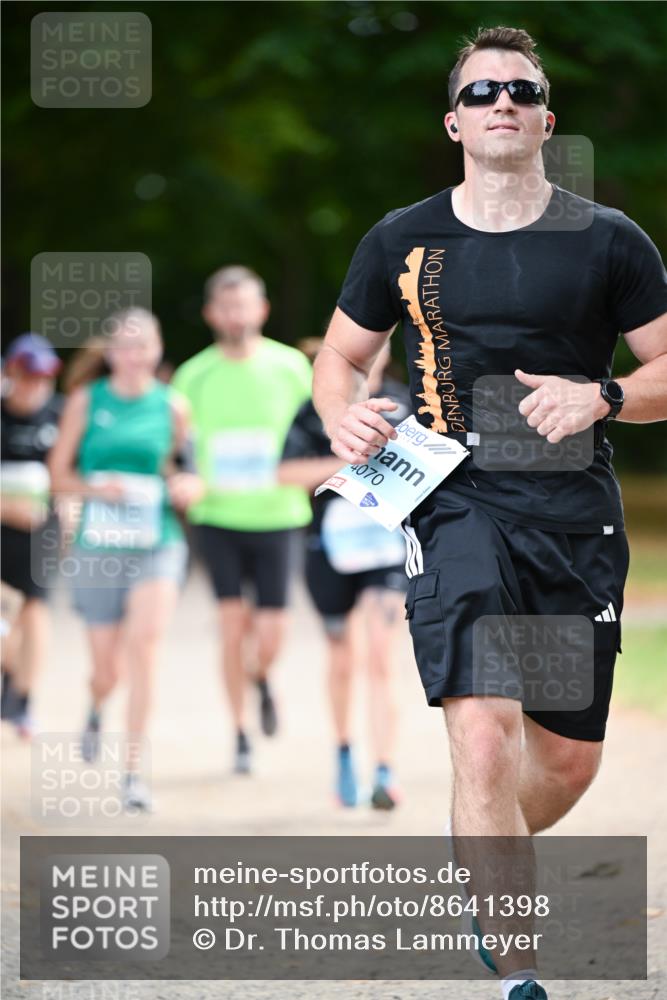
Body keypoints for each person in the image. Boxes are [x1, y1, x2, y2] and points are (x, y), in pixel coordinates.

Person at [312, 26, 667, 1000]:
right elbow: (340, 355)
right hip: (455, 502)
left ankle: (477, 839)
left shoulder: (608, 241)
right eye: (481, 92)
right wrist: (343, 415)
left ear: (546, 116)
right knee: (480, 733)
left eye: (520, 89)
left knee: (563, 762)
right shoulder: (401, 237)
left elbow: (664, 367)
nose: (500, 102)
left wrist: (603, 395)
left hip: (573, 514)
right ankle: (518, 967)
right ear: (454, 121)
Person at [48, 309, 203, 811]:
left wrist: (186, 485)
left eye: (144, 346)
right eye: (125, 347)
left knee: (145, 647)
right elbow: (58, 476)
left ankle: (133, 772)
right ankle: (96, 704)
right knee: (107, 668)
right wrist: (95, 487)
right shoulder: (84, 402)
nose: (135, 357)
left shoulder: (174, 406)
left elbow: (189, 473)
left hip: (157, 540)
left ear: (157, 351)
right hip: (99, 544)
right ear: (111, 353)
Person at [172, 266, 312, 774]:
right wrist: (181, 480)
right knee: (232, 626)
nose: (236, 315)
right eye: (226, 307)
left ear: (262, 309)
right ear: (212, 314)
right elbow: (177, 450)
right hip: (218, 517)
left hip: (279, 514)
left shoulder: (293, 366)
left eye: (244, 305)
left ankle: (261, 677)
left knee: (272, 630)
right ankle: (239, 733)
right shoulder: (192, 375)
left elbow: (318, 430)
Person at [279, 341, 410, 809]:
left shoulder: (407, 403)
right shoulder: (314, 412)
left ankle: (385, 771)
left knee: (380, 654)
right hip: (329, 550)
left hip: (386, 551)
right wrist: (347, 461)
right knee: (342, 659)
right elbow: (286, 473)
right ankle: (343, 757)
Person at [1, 334, 62, 737]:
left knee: (35, 612)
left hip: (41, 534)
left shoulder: (60, 418)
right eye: (27, 376)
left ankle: (22, 700)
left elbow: (73, 477)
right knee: (5, 621)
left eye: (42, 378)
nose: (34, 386)